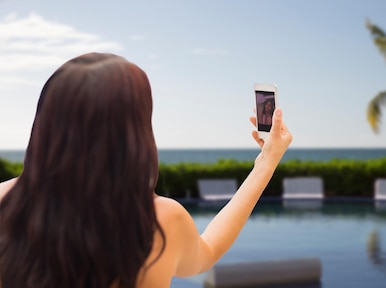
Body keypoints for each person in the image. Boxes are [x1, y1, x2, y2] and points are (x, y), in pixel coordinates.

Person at [0, 52, 292, 288]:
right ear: (134, 132)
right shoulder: (160, 221)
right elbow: (208, 252)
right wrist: (266, 163)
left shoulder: (4, 202)